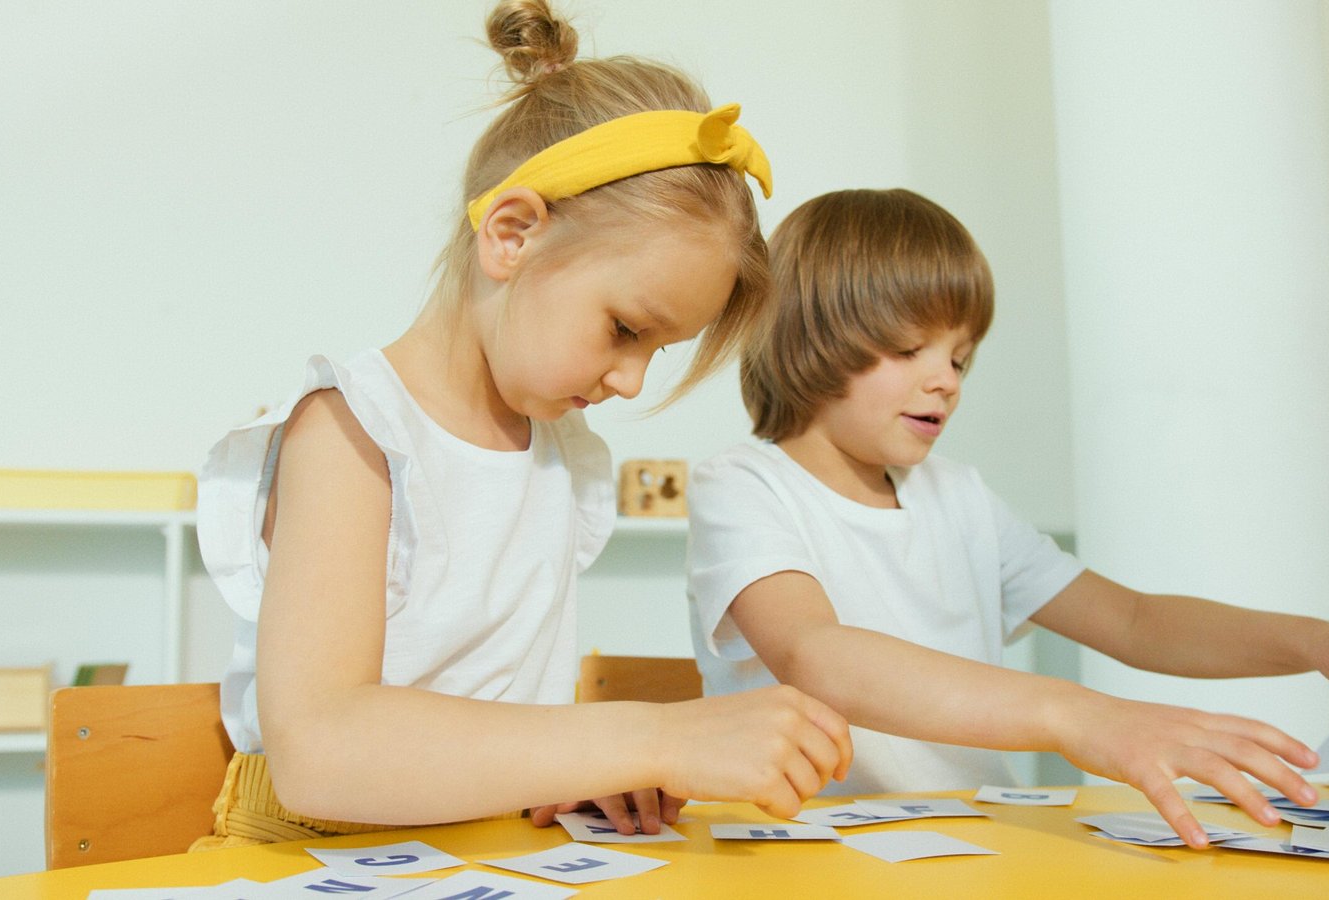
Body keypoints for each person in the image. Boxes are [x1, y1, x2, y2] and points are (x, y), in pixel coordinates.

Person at [192, 0, 852, 849]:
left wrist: (579, 776)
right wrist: (651, 736)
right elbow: (321, 751)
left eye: (659, 350)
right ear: (512, 235)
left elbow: (490, 732)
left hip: (493, 848)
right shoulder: (351, 435)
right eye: (625, 329)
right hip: (316, 848)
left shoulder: (557, 457)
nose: (630, 379)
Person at [686, 187, 1329, 848]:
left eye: (961, 359)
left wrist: (1321, 642)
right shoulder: (746, 487)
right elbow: (818, 655)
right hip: (805, 851)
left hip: (970, 845)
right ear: (809, 339)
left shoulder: (958, 494)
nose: (944, 380)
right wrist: (1078, 715)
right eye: (910, 349)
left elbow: (1133, 621)